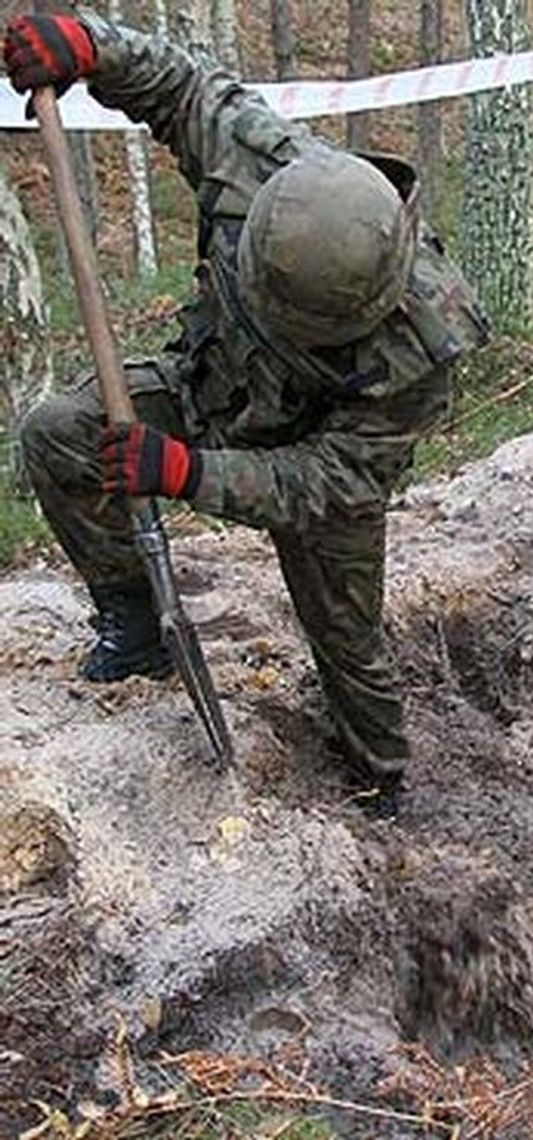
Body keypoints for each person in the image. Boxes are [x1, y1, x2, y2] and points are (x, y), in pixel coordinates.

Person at [4, 10, 490, 814]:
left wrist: (190, 474)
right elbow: (182, 85)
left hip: (312, 463)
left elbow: (333, 479)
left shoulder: (423, 344)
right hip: (211, 384)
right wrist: (92, 46)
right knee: (57, 433)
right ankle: (133, 623)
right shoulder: (273, 169)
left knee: (349, 644)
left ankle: (381, 782)